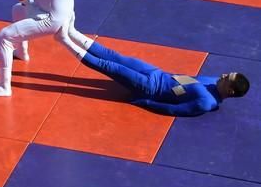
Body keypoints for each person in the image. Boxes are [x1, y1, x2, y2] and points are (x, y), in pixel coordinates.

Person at [57, 16, 251, 116]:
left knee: (108, 66)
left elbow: (174, 110)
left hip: (150, 87)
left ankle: (64, 40)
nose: (224, 74)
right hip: (156, 73)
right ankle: (73, 32)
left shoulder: (206, 103)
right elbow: (185, 82)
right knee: (114, 56)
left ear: (230, 91)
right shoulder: (214, 82)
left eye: (228, 78)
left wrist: (145, 102)